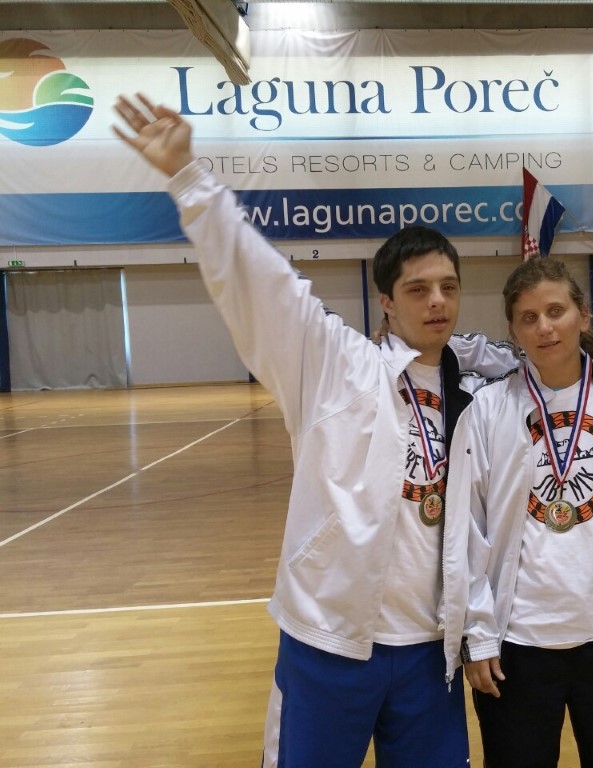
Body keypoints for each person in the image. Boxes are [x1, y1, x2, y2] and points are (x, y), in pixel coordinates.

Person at [113, 93, 515, 768]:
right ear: (386, 302)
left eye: (448, 286)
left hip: (429, 647)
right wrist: (188, 177)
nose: (438, 301)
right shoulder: (333, 365)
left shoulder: (476, 390)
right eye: (418, 289)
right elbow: (262, 284)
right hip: (331, 640)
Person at [446, 257, 593, 768]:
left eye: (555, 311)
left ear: (583, 315)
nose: (544, 328)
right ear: (513, 330)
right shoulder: (487, 410)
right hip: (517, 645)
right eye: (528, 318)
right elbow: (467, 531)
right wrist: (477, 634)